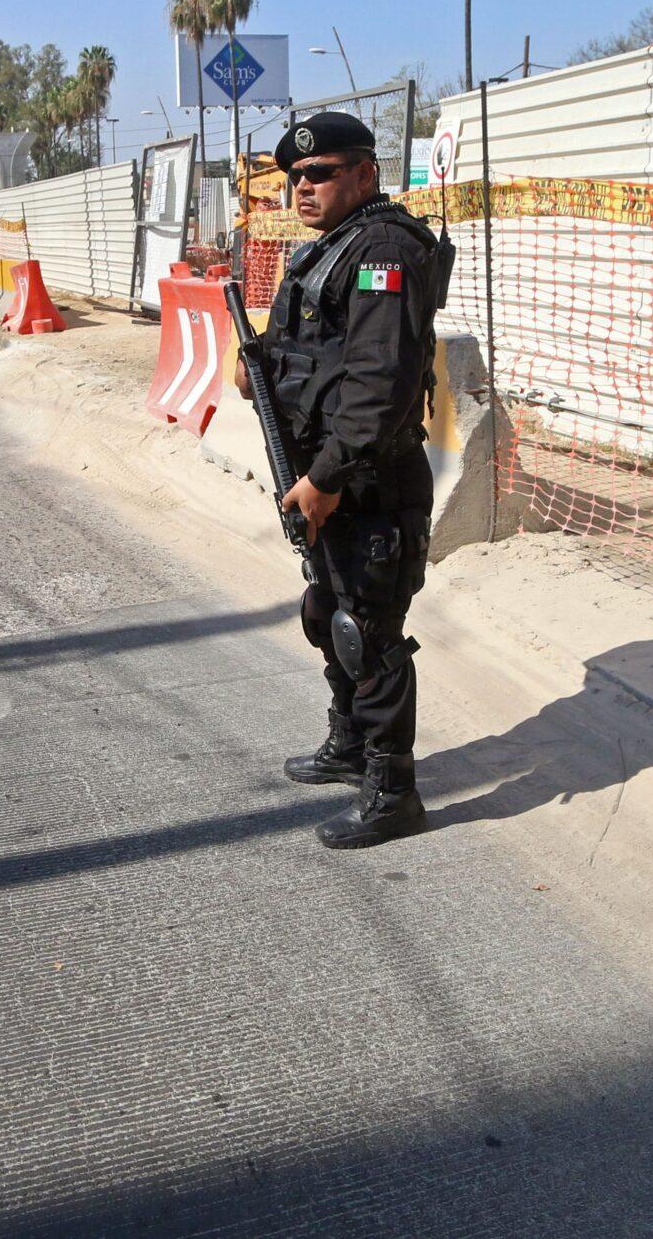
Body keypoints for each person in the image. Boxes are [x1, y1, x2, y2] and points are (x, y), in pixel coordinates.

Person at [242, 111, 450, 849]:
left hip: (367, 479)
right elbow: (306, 348)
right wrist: (256, 363)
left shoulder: (383, 249)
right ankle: (351, 745)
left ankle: (393, 790)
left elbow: (379, 384)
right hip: (322, 474)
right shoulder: (329, 249)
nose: (303, 187)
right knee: (326, 610)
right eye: (296, 177)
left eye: (320, 173)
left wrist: (326, 478)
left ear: (364, 173)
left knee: (371, 633)